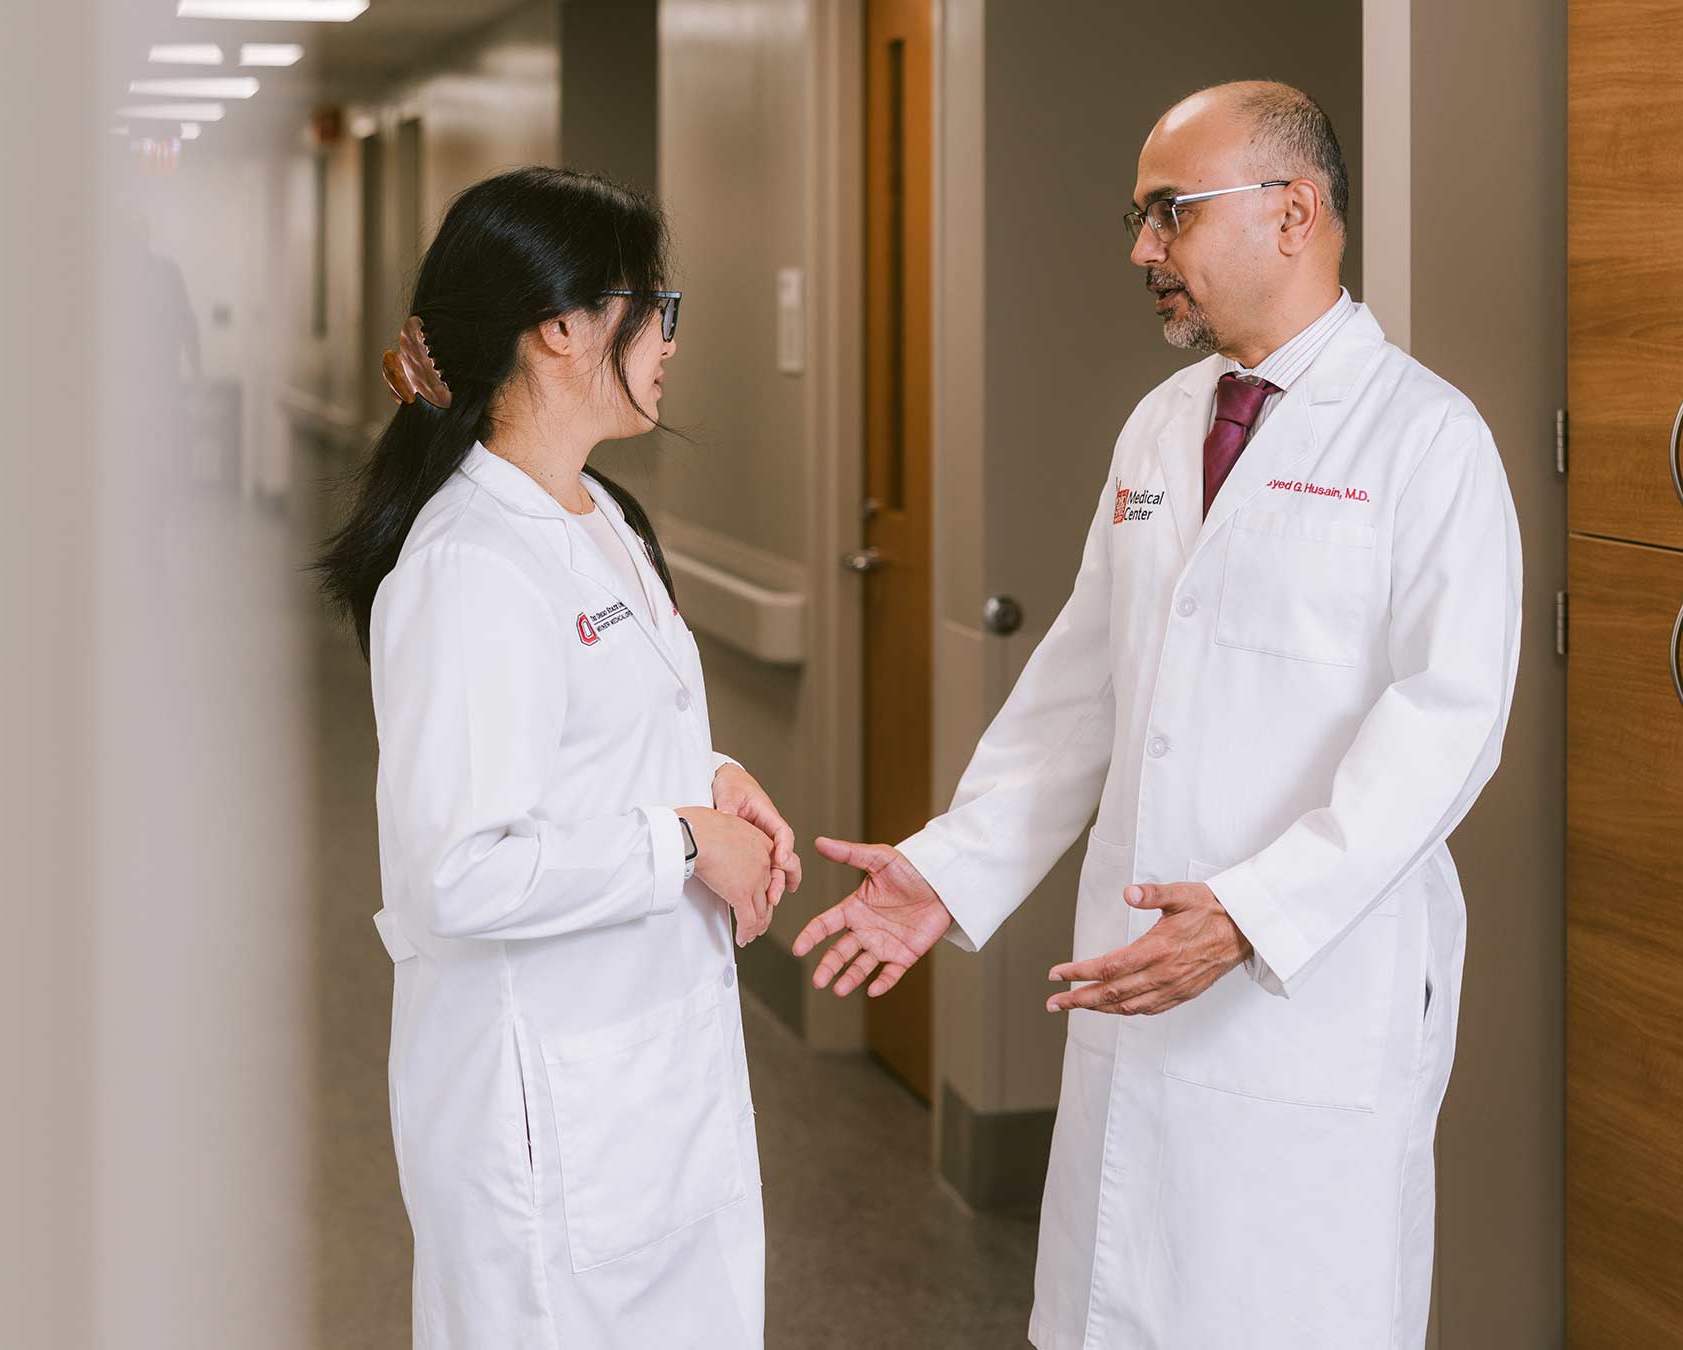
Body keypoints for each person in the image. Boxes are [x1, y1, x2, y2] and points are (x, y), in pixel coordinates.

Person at [791, 83, 1520, 1349]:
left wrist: (1251, 912)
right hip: (1142, 989)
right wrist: (950, 872)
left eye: (1168, 214)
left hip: (1308, 1000)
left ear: (1295, 214)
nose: (1143, 251)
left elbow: (1449, 723)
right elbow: (1083, 689)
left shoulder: (1427, 440)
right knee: (1124, 1303)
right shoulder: (1163, 426)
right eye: (1140, 219)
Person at [315, 166, 801, 1348]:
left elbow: (599, 735)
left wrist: (714, 776)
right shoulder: (471, 565)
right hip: (544, 1117)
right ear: (561, 328)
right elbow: (461, 871)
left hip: (647, 1079)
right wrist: (687, 840)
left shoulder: (606, 517)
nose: (672, 338)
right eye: (656, 306)